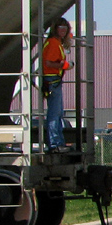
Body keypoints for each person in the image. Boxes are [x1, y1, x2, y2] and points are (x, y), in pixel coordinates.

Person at [42, 17, 72, 152]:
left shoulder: (55, 43)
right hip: (52, 80)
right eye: (61, 27)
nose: (63, 30)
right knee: (55, 113)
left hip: (53, 80)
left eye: (65, 28)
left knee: (57, 113)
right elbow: (48, 63)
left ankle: (58, 142)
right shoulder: (53, 43)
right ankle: (55, 144)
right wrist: (64, 65)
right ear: (55, 29)